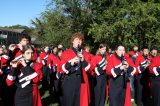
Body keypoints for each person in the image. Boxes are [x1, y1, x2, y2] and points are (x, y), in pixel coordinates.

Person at [60, 32, 91, 106]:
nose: (79, 41)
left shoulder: (86, 54)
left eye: (80, 40)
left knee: (81, 103)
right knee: (70, 102)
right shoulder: (66, 53)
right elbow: (61, 68)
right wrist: (71, 62)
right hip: (70, 81)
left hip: (82, 83)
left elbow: (90, 70)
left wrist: (83, 61)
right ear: (72, 41)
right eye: (77, 39)